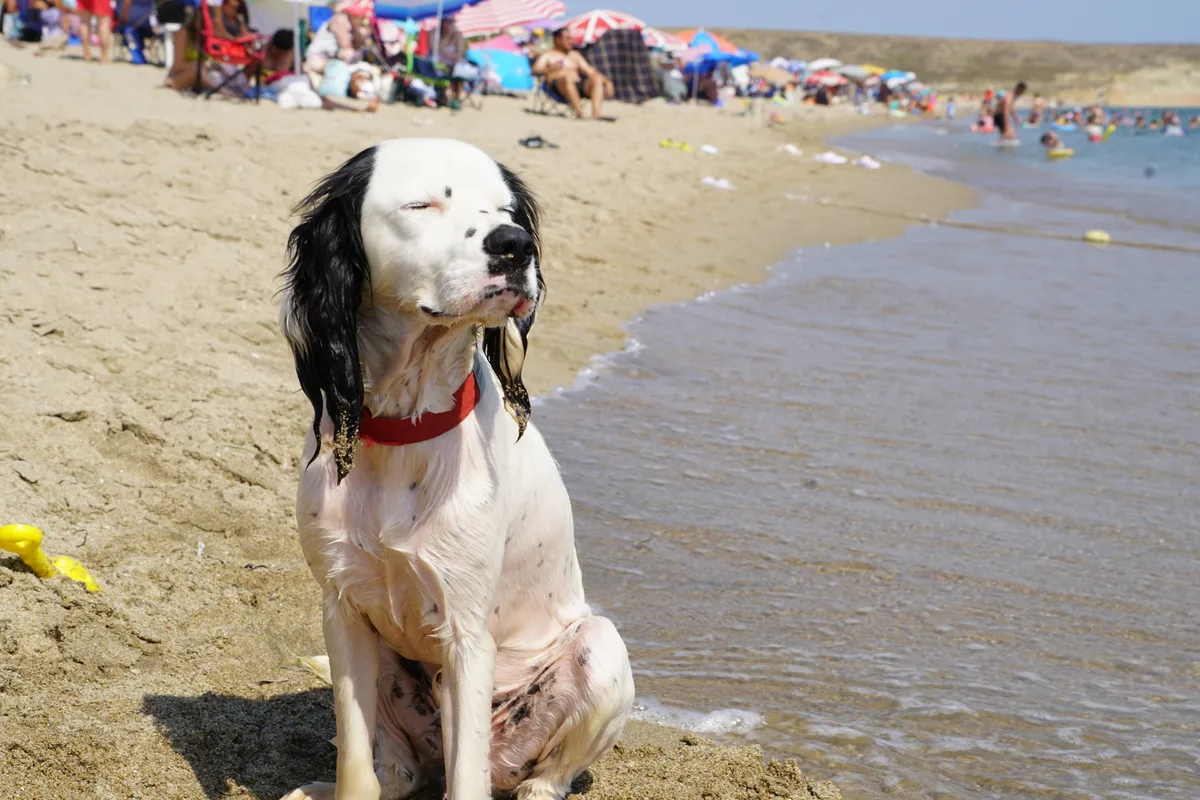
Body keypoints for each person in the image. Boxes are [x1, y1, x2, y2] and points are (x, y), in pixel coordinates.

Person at [531, 26, 614, 120]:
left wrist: (607, 82)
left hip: (578, 86)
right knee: (568, 78)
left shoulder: (574, 55)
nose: (571, 41)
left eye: (571, 38)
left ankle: (597, 113)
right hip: (557, 88)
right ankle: (580, 113)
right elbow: (535, 70)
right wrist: (549, 68)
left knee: (597, 78)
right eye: (567, 39)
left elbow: (590, 71)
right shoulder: (549, 55)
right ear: (558, 40)